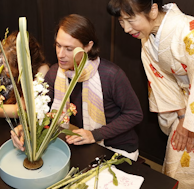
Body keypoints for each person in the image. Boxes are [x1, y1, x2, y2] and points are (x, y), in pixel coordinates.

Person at [107, 0, 194, 189]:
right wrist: (183, 116)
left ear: (153, 10)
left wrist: (193, 125)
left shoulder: (191, 33)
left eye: (130, 20)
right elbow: (160, 80)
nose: (126, 29)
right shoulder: (148, 37)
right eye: (121, 21)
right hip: (188, 104)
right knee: (176, 160)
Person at [11, 14, 143, 161]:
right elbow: (43, 111)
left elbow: (134, 114)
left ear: (87, 47)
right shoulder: (55, 73)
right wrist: (27, 128)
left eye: (69, 48)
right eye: (58, 45)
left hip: (118, 149)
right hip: (82, 143)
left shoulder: (111, 75)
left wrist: (95, 134)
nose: (60, 54)